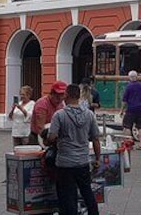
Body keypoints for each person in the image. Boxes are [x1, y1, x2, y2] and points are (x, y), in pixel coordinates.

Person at [47, 83, 100, 215]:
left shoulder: (59, 115)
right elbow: (96, 139)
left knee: (67, 196)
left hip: (65, 163)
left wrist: (51, 137)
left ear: (67, 95)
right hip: (82, 161)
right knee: (87, 192)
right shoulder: (89, 115)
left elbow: (52, 137)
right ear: (79, 96)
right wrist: (98, 159)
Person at [119, 70, 141, 150]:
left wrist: (121, 110)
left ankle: (129, 143)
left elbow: (124, 100)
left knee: (127, 126)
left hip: (131, 109)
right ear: (136, 77)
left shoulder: (128, 87)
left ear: (130, 77)